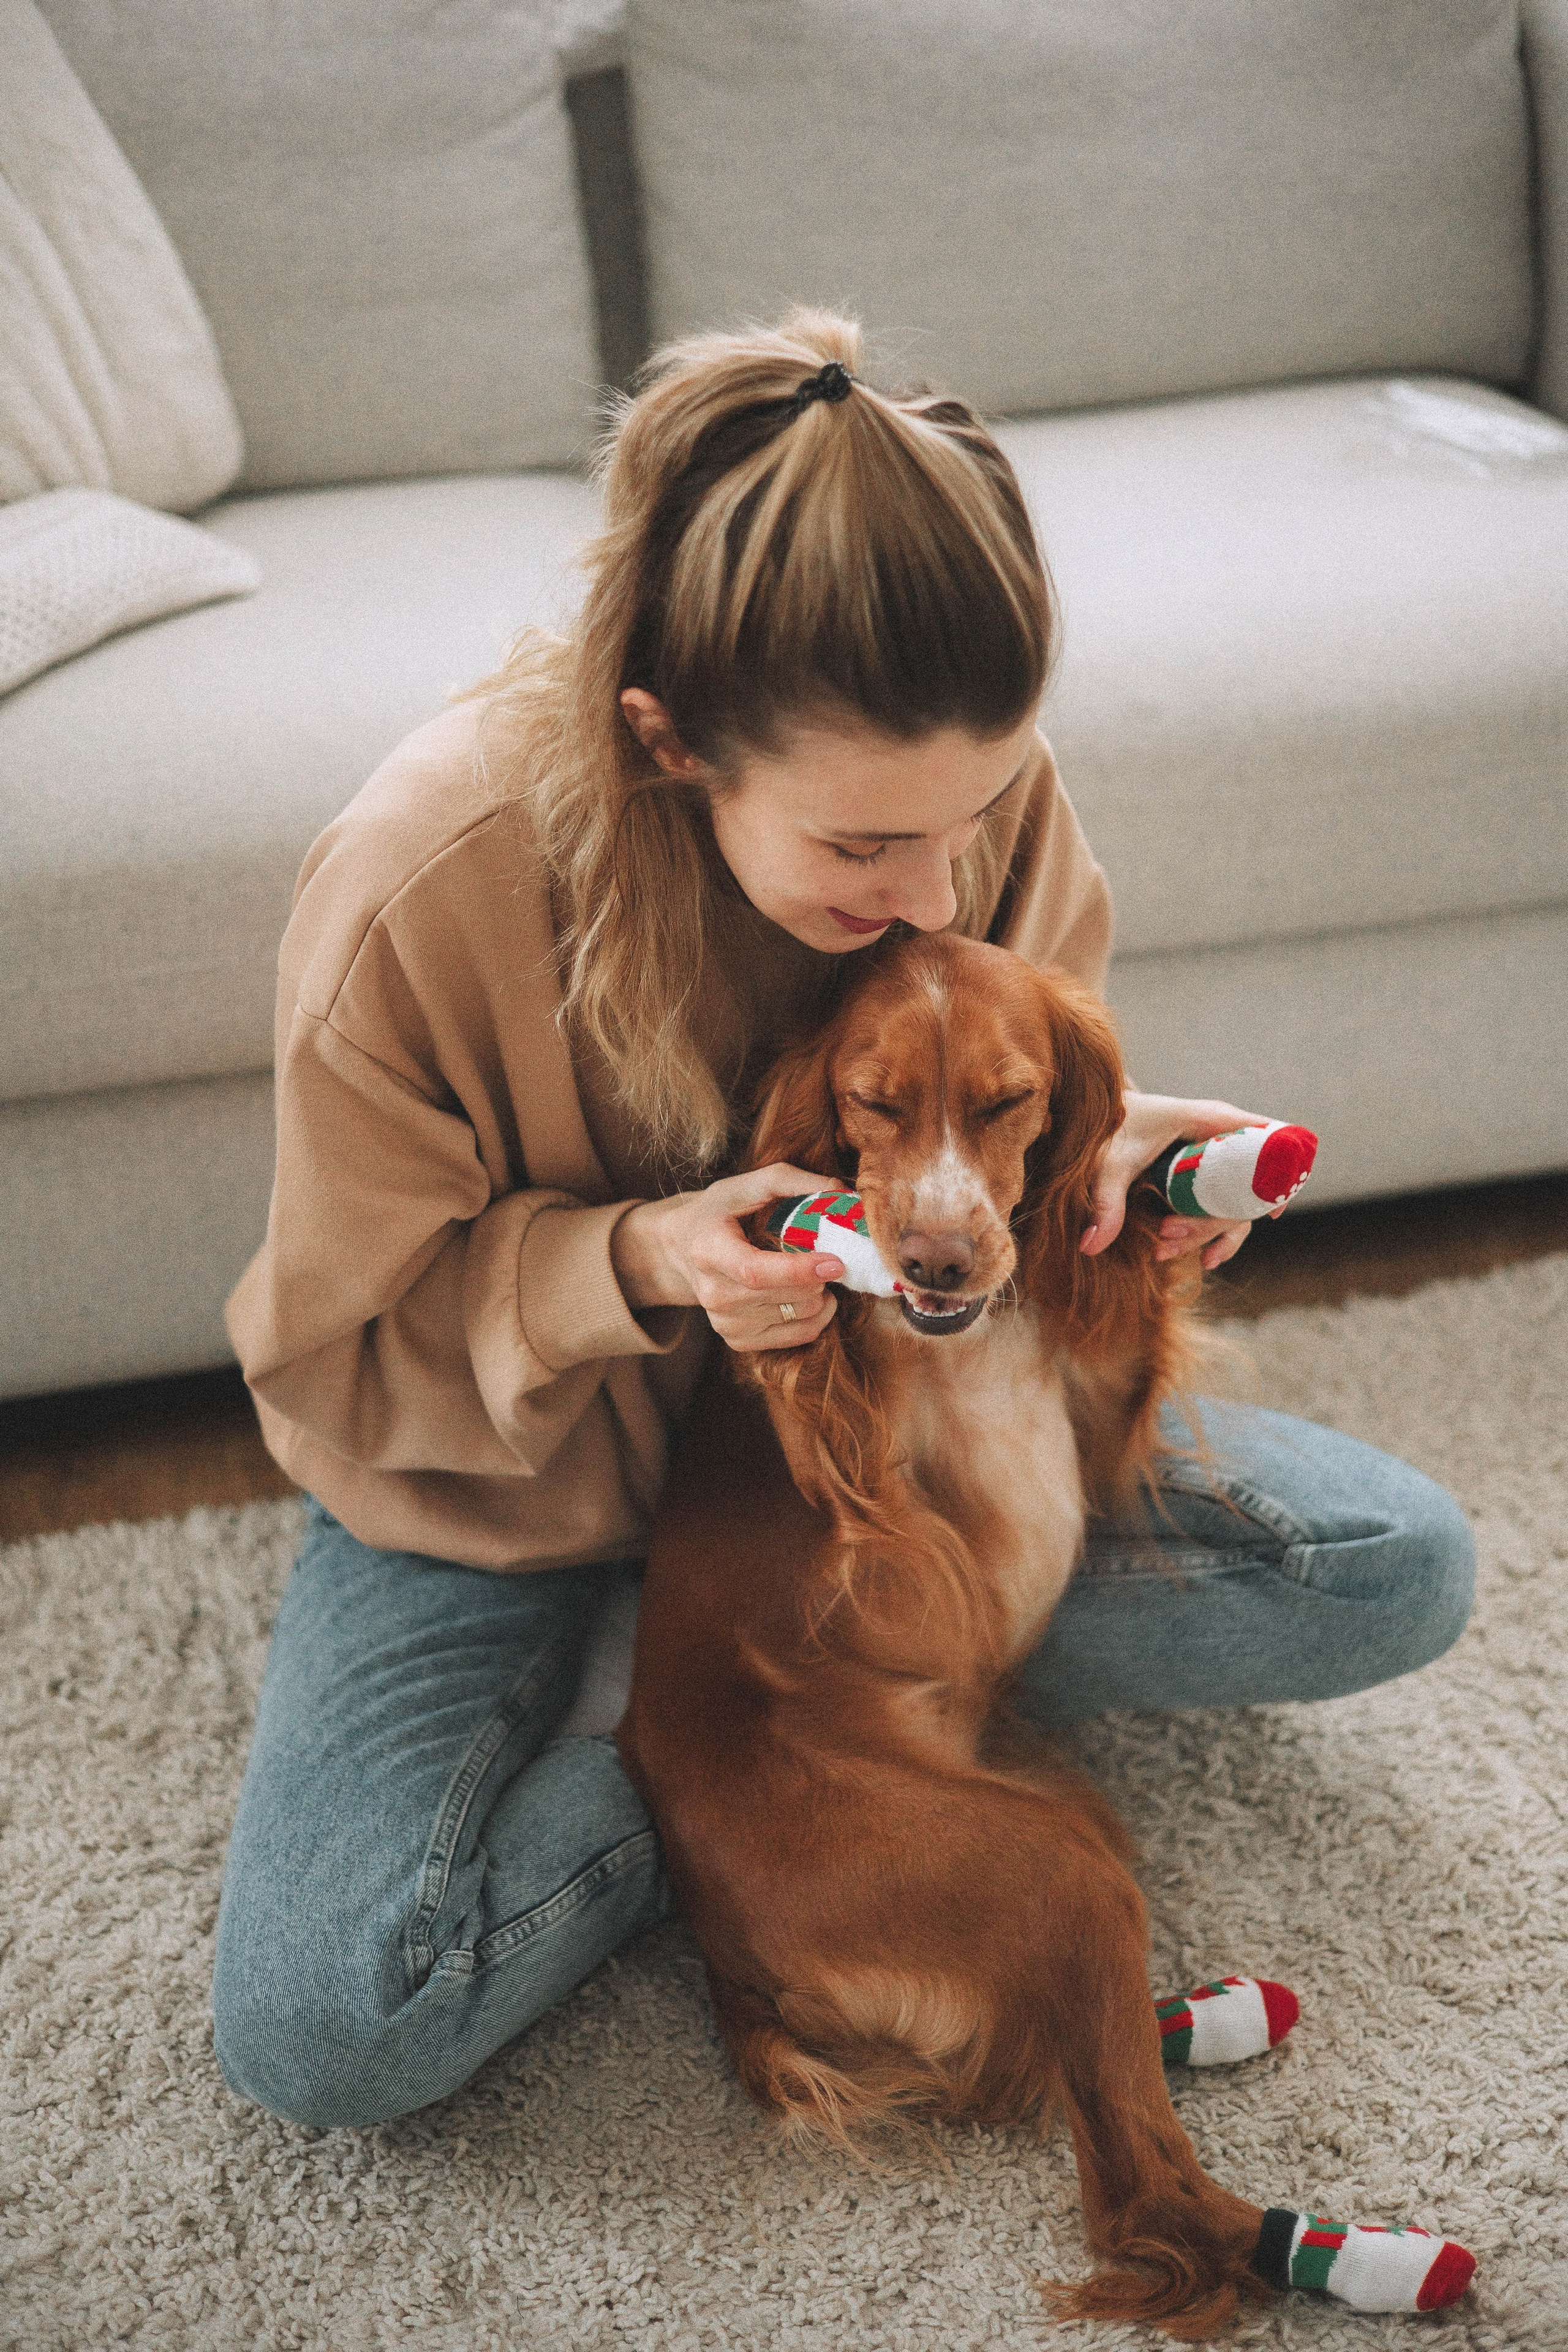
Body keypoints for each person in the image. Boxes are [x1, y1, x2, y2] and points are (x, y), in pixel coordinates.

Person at [212, 312, 1474, 2132]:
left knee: (1396, 1568)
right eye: (867, 850)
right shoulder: (423, 884)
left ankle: (750, 1736)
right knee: (338, 2025)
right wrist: (638, 1258)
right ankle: (679, 1748)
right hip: (502, 1500)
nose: (938, 892)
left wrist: (1109, 1182)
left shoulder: (958, 800)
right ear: (667, 743)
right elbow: (343, 1358)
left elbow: (1004, 1141)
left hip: (884, 1479)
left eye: (974, 819)